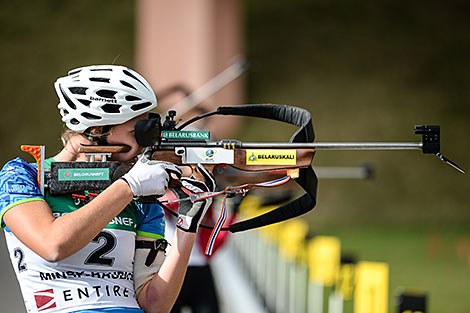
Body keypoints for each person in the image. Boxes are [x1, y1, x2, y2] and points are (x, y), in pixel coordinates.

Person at [0, 65, 215, 313]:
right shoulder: (24, 175)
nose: (146, 143)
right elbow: (52, 245)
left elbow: (154, 304)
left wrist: (187, 227)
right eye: (137, 132)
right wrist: (129, 186)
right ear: (97, 130)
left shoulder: (140, 193)